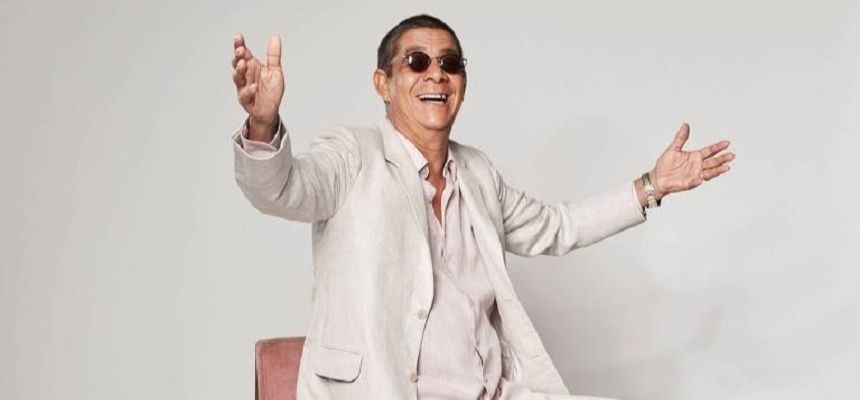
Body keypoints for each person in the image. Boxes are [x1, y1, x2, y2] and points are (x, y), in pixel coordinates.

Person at [230, 14, 734, 400]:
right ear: (383, 83)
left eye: (450, 64)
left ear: (463, 84)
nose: (437, 75)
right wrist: (263, 125)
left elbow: (557, 227)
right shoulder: (352, 154)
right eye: (417, 62)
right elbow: (281, 189)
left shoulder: (477, 172)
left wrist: (652, 185)